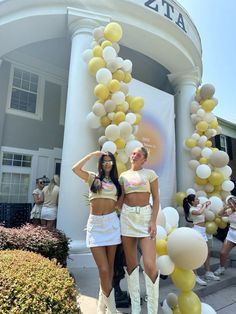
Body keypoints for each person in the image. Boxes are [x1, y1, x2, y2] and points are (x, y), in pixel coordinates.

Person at [72, 151, 122, 314]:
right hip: (96, 226)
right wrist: (92, 155)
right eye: (104, 161)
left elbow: (120, 205)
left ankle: (102, 307)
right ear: (100, 164)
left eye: (110, 162)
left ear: (113, 164)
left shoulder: (117, 183)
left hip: (112, 224)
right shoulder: (93, 178)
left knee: (110, 270)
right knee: (104, 269)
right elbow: (75, 168)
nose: (107, 164)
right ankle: (112, 310)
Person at [118, 146, 160, 314]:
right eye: (133, 153)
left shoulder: (150, 174)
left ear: (144, 160)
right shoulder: (123, 176)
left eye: (139, 154)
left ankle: (152, 310)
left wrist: (153, 221)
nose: (134, 155)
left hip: (145, 217)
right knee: (131, 265)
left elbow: (156, 199)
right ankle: (136, 308)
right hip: (127, 217)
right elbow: (121, 198)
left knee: (149, 264)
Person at [183, 194, 220, 285]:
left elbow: (205, 205)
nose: (198, 200)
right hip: (197, 231)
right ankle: (195, 276)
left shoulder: (199, 206)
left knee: (207, 252)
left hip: (203, 232)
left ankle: (208, 272)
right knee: (196, 254)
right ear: (192, 202)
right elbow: (199, 212)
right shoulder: (192, 210)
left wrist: (207, 203)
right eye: (196, 199)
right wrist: (204, 205)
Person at [214, 195, 236, 276]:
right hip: (231, 234)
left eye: (231, 203)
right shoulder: (230, 211)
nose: (230, 205)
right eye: (229, 203)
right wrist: (225, 207)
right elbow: (220, 214)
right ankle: (221, 268)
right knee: (223, 253)